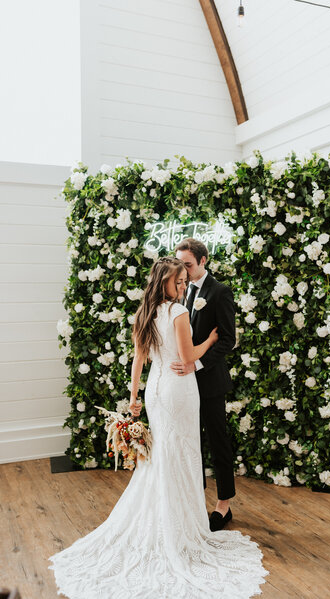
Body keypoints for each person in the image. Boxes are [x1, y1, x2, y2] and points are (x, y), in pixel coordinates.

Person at [48, 256, 268, 598]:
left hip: (154, 389)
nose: (183, 287)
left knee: (165, 453)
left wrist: (133, 397)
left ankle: (167, 518)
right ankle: (180, 527)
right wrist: (209, 341)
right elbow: (188, 357)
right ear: (164, 282)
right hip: (179, 390)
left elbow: (139, 358)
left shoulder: (145, 313)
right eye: (178, 282)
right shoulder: (178, 313)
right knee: (181, 452)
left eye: (184, 282)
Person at [173, 238, 236, 532]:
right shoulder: (178, 291)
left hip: (209, 381)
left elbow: (227, 340)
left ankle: (223, 505)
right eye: (180, 264)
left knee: (217, 441)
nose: (182, 270)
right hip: (183, 384)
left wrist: (196, 364)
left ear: (203, 260)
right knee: (189, 442)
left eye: (187, 264)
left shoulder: (220, 292)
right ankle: (195, 501)